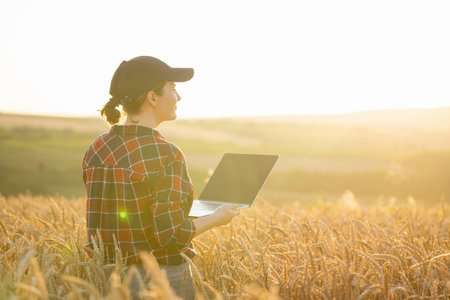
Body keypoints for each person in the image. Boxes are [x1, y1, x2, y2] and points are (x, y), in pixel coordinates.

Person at [82, 56, 240, 299]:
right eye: (174, 89)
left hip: (105, 279)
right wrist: (217, 218)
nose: (179, 97)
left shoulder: (97, 148)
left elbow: (129, 212)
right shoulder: (166, 153)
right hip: (160, 279)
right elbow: (170, 236)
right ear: (152, 97)